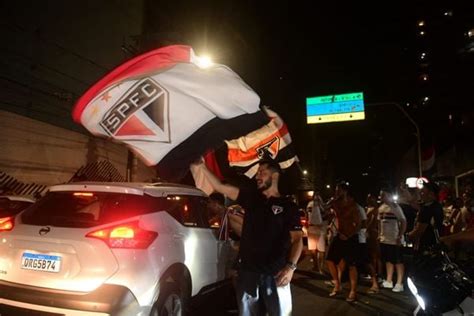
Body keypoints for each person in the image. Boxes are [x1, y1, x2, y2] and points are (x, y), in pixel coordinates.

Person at [191, 159, 303, 316]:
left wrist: (290, 268)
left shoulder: (288, 206)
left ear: (275, 175)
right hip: (248, 272)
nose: (257, 176)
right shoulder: (251, 198)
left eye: (262, 172)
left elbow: (297, 239)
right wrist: (201, 165)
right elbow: (220, 187)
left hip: (276, 273)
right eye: (257, 173)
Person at [325, 182, 361, 302]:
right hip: (339, 236)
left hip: (351, 237)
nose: (336, 192)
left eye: (338, 190)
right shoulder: (336, 203)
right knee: (330, 259)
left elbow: (359, 224)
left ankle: (353, 291)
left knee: (351, 265)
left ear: (344, 191)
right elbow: (325, 210)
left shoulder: (352, 205)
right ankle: (337, 284)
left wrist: (349, 235)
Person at [377, 189, 407, 293]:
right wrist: (379, 235)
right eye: (381, 195)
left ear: (389, 195)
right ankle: (389, 280)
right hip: (384, 239)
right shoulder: (381, 208)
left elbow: (403, 221)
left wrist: (400, 235)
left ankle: (399, 283)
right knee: (388, 260)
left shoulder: (395, 207)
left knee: (398, 261)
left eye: (383, 195)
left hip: (395, 239)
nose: (381, 197)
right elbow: (379, 223)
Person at [408, 182, 443, 253]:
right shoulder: (437, 206)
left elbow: (419, 230)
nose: (420, 194)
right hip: (436, 245)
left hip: (426, 247)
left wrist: (407, 236)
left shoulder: (427, 209)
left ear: (431, 194)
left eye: (422, 192)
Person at [306, 191, 327, 274]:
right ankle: (316, 266)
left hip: (319, 229)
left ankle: (320, 267)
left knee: (320, 249)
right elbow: (308, 215)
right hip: (313, 228)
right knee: (313, 249)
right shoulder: (311, 204)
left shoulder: (321, 205)